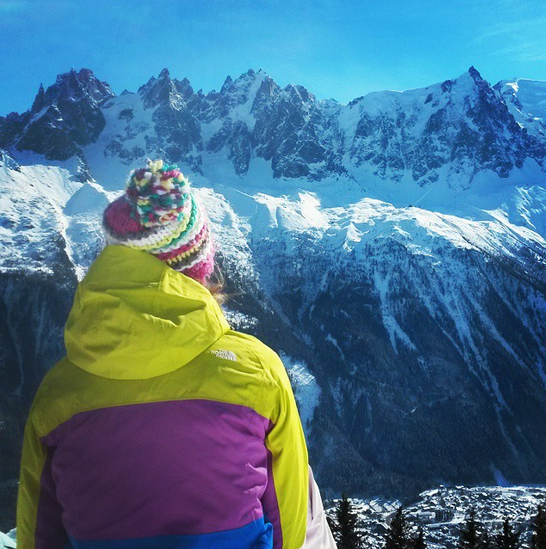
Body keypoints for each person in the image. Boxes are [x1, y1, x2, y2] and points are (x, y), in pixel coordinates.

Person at [16, 159, 336, 549]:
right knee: (303, 483)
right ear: (199, 268)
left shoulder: (57, 393)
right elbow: (293, 529)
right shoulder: (258, 372)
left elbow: (38, 536)